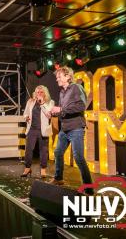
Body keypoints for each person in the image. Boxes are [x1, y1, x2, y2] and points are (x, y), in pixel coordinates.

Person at [49, 66, 93, 194]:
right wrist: (53, 113)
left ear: (68, 76)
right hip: (65, 128)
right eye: (57, 77)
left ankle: (88, 188)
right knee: (58, 152)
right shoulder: (62, 92)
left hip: (76, 129)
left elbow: (81, 106)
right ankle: (58, 178)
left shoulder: (76, 88)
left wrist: (61, 110)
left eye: (59, 76)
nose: (57, 79)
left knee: (78, 157)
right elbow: (63, 110)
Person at [21, 85, 54, 178]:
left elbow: (49, 115)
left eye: (41, 92)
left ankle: (43, 170)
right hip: (32, 129)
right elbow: (25, 113)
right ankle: (27, 168)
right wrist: (26, 117)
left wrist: (42, 103)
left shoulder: (50, 102)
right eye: (37, 92)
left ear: (45, 93)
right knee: (28, 149)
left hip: (43, 130)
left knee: (43, 150)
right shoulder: (30, 101)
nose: (39, 94)